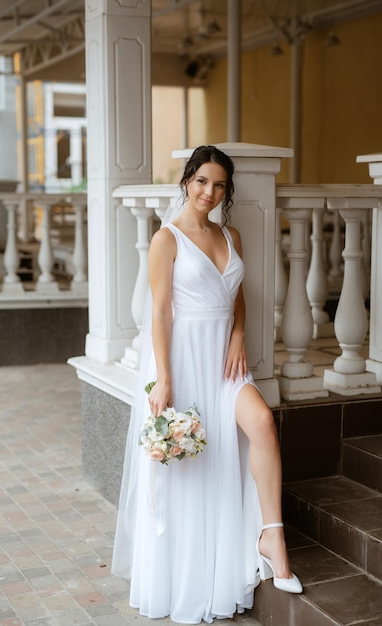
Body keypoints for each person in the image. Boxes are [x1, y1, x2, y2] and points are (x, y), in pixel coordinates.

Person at [112, 145, 302, 624]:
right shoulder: (166, 238)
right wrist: (165, 379)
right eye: (201, 182)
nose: (209, 192)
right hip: (183, 360)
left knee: (261, 422)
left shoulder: (230, 233)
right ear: (187, 181)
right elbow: (158, 312)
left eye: (218, 185)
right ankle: (188, 572)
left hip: (225, 363)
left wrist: (238, 335)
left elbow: (235, 296)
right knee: (191, 466)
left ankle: (272, 537)